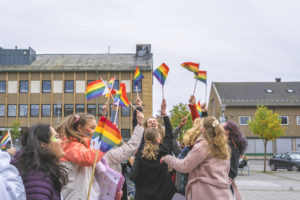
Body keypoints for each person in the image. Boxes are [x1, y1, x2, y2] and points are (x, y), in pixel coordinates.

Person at [161, 117, 232, 200]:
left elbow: (185, 166)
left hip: (205, 192)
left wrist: (167, 158)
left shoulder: (203, 144)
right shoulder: (223, 146)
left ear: (204, 129)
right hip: (222, 193)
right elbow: (227, 170)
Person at [129, 99, 176, 200]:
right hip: (163, 195)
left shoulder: (140, 152)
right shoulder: (164, 149)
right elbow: (169, 134)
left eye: (154, 121)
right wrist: (164, 114)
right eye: (150, 122)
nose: (153, 123)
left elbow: (133, 176)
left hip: (144, 195)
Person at [57, 113, 106, 200]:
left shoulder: (77, 144)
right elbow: (88, 158)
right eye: (92, 128)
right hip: (73, 196)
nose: (95, 131)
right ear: (80, 128)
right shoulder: (71, 145)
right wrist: (103, 145)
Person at [12, 124, 68, 200]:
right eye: (56, 137)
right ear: (43, 144)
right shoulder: (37, 176)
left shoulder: (40, 169)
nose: (61, 141)